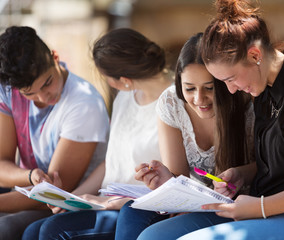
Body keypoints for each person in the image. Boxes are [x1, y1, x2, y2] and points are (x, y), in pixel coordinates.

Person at [137, 0, 284, 239]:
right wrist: (243, 174)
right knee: (153, 236)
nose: (230, 90)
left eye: (230, 78)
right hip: (262, 210)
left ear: (254, 55)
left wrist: (260, 207)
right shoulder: (262, 87)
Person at [22, 28, 173, 240]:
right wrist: (72, 199)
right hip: (107, 202)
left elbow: (174, 179)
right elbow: (111, 162)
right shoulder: (124, 97)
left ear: (122, 79)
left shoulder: (174, 100)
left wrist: (107, 203)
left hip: (140, 208)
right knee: (32, 231)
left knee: (53, 230)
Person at [114, 32, 255, 240]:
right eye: (189, 88)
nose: (199, 99)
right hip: (194, 201)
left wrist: (240, 173)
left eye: (209, 88)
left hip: (238, 204)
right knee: (130, 212)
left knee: (152, 236)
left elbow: (267, 165)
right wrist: (163, 179)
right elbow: (178, 177)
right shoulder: (172, 103)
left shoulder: (246, 105)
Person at [0, 26, 109, 239]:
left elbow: (56, 193)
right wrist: (29, 176)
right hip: (25, 193)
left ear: (55, 57)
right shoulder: (6, 90)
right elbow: (1, 165)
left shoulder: (84, 102)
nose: (43, 97)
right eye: (29, 93)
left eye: (48, 82)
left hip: (68, 203)